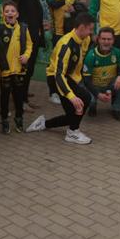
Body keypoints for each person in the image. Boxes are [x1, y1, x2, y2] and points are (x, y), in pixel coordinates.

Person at [26, 12, 94, 144]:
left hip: (69, 77)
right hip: (56, 78)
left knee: (72, 115)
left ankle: (43, 124)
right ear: (81, 28)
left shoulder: (86, 39)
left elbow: (79, 60)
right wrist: (71, 96)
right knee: (84, 98)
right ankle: (72, 133)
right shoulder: (66, 44)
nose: (91, 32)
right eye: (90, 29)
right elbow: (58, 74)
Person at [0, 1, 33, 133]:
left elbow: (29, 44)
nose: (9, 13)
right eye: (7, 11)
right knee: (4, 98)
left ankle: (19, 118)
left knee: (18, 97)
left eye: (12, 11)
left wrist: (27, 56)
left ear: (17, 14)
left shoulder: (23, 28)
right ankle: (4, 120)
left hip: (19, 70)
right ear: (3, 14)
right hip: (5, 70)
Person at [43, 0, 78, 105]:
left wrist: (74, 10)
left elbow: (78, 10)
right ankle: (53, 93)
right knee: (55, 65)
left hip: (71, 34)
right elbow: (54, 4)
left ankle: (67, 89)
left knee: (70, 63)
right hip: (57, 34)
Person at [81, 27, 120, 120]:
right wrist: (98, 94)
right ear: (98, 39)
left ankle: (116, 109)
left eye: (109, 39)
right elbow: (86, 80)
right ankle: (92, 105)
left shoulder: (117, 52)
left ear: (113, 40)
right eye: (103, 39)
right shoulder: (91, 55)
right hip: (94, 87)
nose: (106, 42)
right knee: (86, 93)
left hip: (110, 86)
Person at [17, 0, 45, 107]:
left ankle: (24, 96)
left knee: (30, 69)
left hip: (34, 38)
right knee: (26, 70)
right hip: (26, 39)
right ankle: (21, 101)